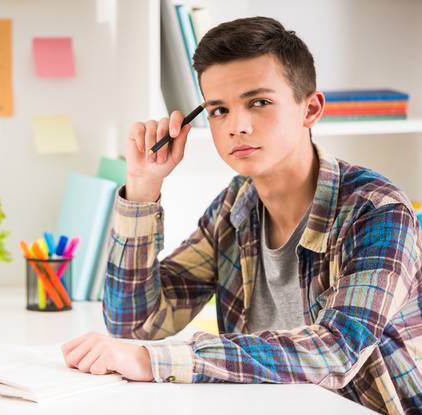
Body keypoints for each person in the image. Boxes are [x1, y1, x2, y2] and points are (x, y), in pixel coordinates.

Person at [60, 16, 422, 414]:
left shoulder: (377, 211)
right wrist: (143, 188)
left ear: (310, 108)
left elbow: (336, 351)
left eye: (259, 102)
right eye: (218, 110)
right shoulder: (235, 207)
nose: (237, 126)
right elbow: (136, 323)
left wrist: (155, 360)